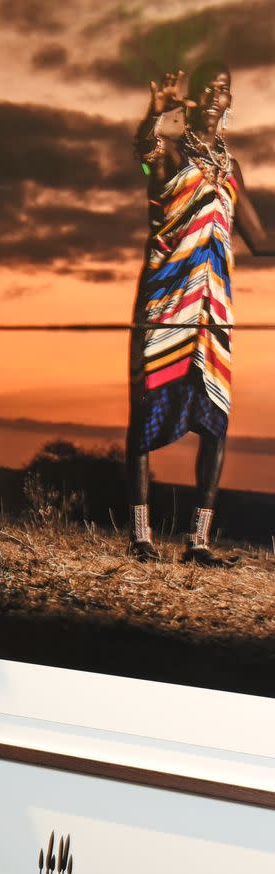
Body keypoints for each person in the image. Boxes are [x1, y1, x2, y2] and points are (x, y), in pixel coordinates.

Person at [127, 60, 274, 565]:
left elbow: (259, 240)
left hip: (214, 307)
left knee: (215, 420)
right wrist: (154, 115)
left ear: (231, 101)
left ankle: (198, 542)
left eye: (224, 88)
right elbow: (146, 164)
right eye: (208, 87)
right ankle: (141, 535)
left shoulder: (231, 169)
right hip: (167, 300)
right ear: (193, 100)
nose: (215, 94)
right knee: (146, 411)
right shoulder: (168, 151)